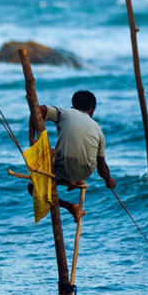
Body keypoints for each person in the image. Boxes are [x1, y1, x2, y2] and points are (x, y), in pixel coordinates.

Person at [33, 90, 116, 222]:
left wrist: (32, 139)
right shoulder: (98, 130)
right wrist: (108, 180)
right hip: (85, 172)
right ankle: (72, 181)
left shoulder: (65, 112)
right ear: (92, 110)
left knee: (33, 187)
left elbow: (38, 110)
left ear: (73, 105)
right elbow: (102, 166)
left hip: (62, 167)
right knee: (68, 164)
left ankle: (70, 206)